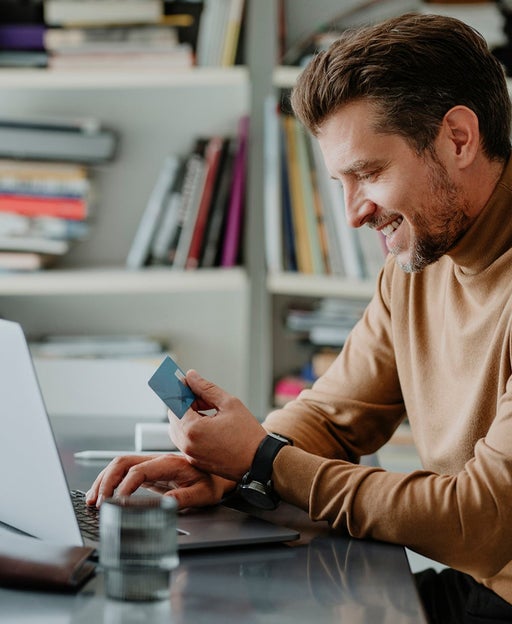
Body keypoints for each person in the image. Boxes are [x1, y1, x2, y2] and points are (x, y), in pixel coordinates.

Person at [87, 12, 512, 622]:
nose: (353, 215)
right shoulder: (418, 264)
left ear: (458, 139)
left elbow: (481, 523)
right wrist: (222, 470)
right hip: (475, 590)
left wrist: (264, 460)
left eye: (369, 173)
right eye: (340, 181)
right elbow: (334, 417)